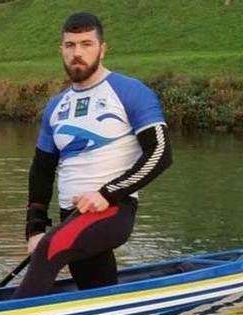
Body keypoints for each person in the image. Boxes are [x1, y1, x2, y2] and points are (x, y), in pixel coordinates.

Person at [13, 12, 173, 299]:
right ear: (61, 50)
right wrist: (34, 229)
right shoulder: (56, 106)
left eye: (86, 44)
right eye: (70, 45)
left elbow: (161, 154)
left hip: (112, 209)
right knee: (97, 293)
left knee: (52, 248)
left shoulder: (130, 92)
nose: (78, 53)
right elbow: (41, 170)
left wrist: (107, 193)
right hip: (70, 216)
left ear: (102, 48)